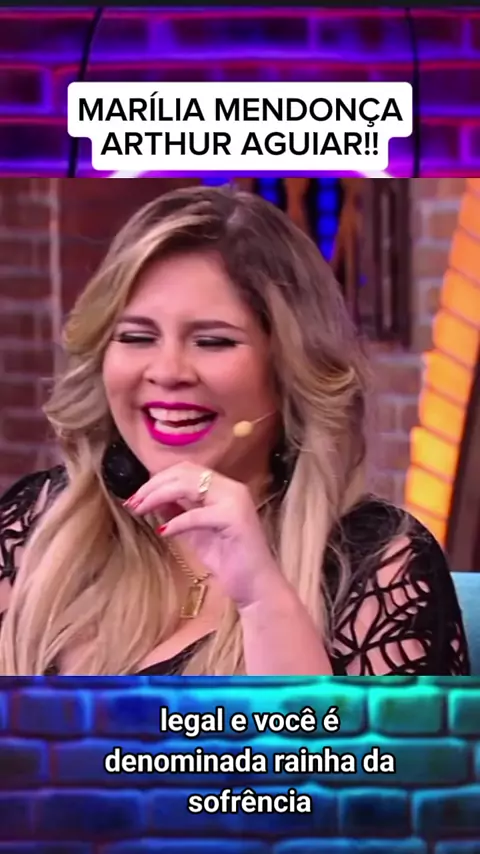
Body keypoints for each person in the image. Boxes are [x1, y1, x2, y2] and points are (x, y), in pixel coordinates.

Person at [0, 184, 470, 676]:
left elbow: (335, 732)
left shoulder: (383, 566)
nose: (168, 371)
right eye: (137, 337)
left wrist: (261, 597)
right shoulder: (35, 523)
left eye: (213, 341)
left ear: (288, 368)